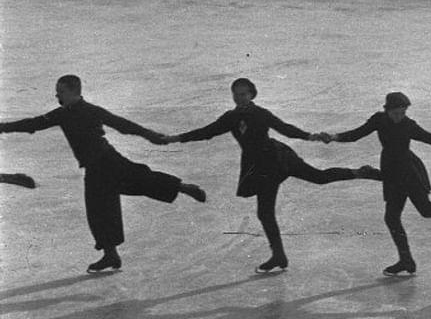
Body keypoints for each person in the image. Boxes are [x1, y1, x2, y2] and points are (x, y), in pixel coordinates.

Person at [167, 78, 380, 273]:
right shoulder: (230, 118)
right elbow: (206, 132)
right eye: (236, 94)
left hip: (277, 159)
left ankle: (359, 172)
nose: (239, 97)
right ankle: (278, 256)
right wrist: (177, 138)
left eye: (243, 94)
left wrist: (309, 136)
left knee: (319, 177)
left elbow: (284, 128)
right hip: (259, 167)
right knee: (265, 212)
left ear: (252, 94)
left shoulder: (260, 113)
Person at [0, 75, 207, 273]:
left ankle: (184, 187)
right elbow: (33, 124)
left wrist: (149, 135)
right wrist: (2, 127)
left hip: (107, 161)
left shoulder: (91, 110)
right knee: (100, 209)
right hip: (94, 167)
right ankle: (111, 255)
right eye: (57, 92)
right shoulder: (61, 114)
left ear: (74, 91)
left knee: (141, 181)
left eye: (60, 92)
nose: (57, 96)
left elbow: (122, 124)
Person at [324, 92, 431, 277]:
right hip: (391, 170)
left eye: (403, 113)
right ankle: (406, 260)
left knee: (427, 210)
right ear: (388, 110)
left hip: (409, 172)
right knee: (392, 218)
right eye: (397, 113)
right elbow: (356, 134)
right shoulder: (378, 120)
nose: (400, 116)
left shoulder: (408, 125)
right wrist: (333, 137)